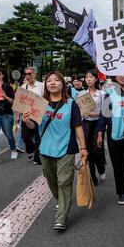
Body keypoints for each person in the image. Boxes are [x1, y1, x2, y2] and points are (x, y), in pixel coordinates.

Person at [22, 71, 88, 231]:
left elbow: (78, 126)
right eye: (49, 80)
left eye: (56, 80)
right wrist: (26, 120)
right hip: (45, 149)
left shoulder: (71, 103)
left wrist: (83, 147)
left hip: (66, 149)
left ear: (62, 84)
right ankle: (62, 200)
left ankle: (61, 217)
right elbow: (33, 127)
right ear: (45, 85)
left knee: (64, 182)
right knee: (52, 181)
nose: (52, 83)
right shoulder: (40, 103)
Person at [97, 76, 124, 205]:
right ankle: (121, 192)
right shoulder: (110, 92)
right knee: (117, 164)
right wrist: (100, 132)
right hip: (114, 134)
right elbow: (103, 114)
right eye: (119, 73)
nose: (122, 76)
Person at [78, 70, 106, 186]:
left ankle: (101, 167)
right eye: (86, 77)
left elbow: (105, 112)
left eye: (91, 77)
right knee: (88, 150)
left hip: (98, 124)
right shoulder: (81, 94)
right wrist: (82, 113)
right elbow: (78, 109)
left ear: (96, 79)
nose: (88, 79)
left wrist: (97, 114)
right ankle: (92, 177)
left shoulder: (102, 94)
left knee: (97, 150)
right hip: (86, 124)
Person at [20, 67, 44, 163]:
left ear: (35, 74)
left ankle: (37, 157)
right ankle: (31, 150)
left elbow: (45, 100)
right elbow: (19, 102)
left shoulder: (41, 86)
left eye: (30, 74)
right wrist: (18, 116)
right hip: (26, 115)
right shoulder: (23, 87)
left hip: (38, 115)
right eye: (26, 74)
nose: (27, 76)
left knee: (38, 137)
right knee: (25, 136)